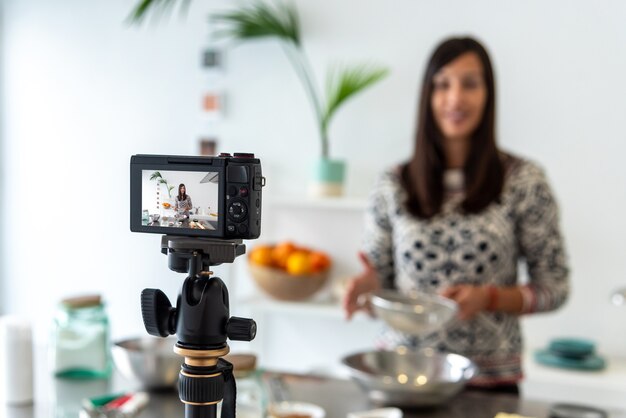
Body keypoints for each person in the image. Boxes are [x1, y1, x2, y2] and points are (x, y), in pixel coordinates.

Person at [343, 37, 569, 393]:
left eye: (470, 84)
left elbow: (554, 287)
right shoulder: (392, 184)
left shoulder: (524, 181)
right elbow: (380, 287)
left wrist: (490, 298)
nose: (455, 98)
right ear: (427, 96)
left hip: (488, 384)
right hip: (401, 376)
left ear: (488, 94)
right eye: (443, 84)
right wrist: (369, 291)